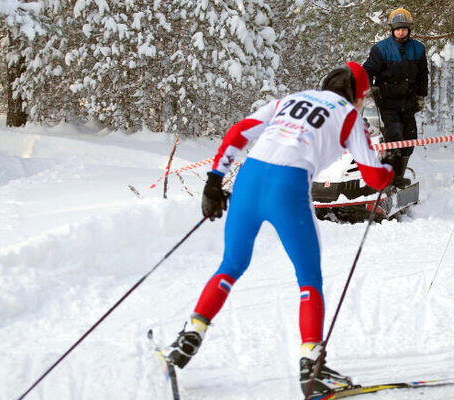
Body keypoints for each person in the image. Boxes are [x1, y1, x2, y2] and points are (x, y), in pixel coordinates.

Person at [163, 61, 401, 398]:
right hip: (288, 186)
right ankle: (312, 366)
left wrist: (214, 182)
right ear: (358, 95)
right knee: (308, 278)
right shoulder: (349, 114)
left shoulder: (292, 99)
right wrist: (391, 169)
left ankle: (191, 334)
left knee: (231, 265)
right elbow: (375, 178)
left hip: (249, 178)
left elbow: (238, 132)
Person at [363, 7, 429, 187]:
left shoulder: (418, 48)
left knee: (409, 138)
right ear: (392, 30)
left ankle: (399, 174)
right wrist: (370, 89)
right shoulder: (381, 49)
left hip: (408, 102)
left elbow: (423, 73)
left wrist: (421, 96)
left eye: (404, 29)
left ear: (409, 29)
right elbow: (367, 70)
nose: (401, 32)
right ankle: (390, 178)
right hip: (387, 102)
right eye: (398, 29)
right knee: (394, 137)